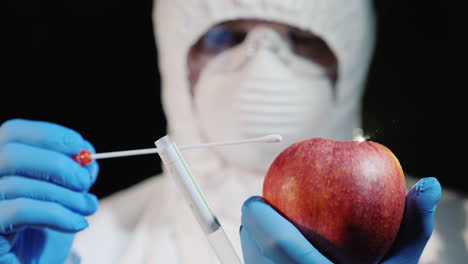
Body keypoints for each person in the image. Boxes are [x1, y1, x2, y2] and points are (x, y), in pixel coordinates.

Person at [0, 0, 464, 263]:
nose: (260, 61)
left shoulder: (456, 240)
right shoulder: (84, 244)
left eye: (301, 38)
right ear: (177, 60)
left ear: (350, 60)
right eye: (225, 36)